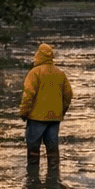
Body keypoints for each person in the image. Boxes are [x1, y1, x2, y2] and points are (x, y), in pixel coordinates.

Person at [19, 42, 73, 170]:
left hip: (36, 118)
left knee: (33, 153)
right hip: (54, 118)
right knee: (53, 153)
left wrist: (23, 113)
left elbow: (28, 95)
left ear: (38, 55)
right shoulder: (60, 73)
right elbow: (68, 95)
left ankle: (32, 182)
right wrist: (61, 111)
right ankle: (53, 182)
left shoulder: (34, 73)